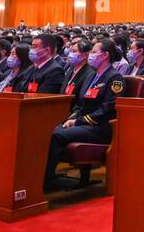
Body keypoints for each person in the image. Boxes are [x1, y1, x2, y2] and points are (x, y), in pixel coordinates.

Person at [43, 40, 125, 191]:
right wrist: (71, 119)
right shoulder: (91, 76)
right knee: (49, 130)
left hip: (100, 127)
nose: (90, 56)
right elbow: (81, 104)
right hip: (83, 124)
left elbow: (107, 109)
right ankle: (43, 176)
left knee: (57, 135)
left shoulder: (115, 78)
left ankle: (47, 181)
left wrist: (78, 122)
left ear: (105, 55)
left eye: (94, 52)